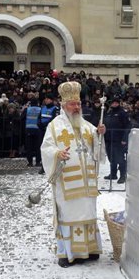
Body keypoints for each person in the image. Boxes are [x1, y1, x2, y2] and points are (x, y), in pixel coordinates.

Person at [40, 81, 106, 268]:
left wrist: (99, 134)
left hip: (86, 181)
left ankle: (90, 249)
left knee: (88, 213)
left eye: (78, 104)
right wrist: (57, 154)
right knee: (69, 216)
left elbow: (97, 147)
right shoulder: (54, 126)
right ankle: (67, 254)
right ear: (63, 106)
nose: (76, 107)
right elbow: (46, 148)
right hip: (66, 180)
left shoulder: (86, 125)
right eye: (72, 104)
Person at [103, 95, 130, 184]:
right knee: (111, 158)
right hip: (109, 139)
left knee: (120, 158)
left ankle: (123, 175)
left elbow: (127, 126)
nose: (114, 104)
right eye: (113, 103)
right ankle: (113, 174)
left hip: (119, 140)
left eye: (116, 103)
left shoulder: (122, 113)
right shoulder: (109, 113)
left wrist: (124, 139)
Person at [23, 98, 42, 166]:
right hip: (38, 130)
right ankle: (37, 162)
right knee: (38, 147)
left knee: (29, 147)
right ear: (37, 103)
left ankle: (30, 162)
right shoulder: (40, 109)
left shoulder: (27, 109)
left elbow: (22, 118)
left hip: (28, 129)